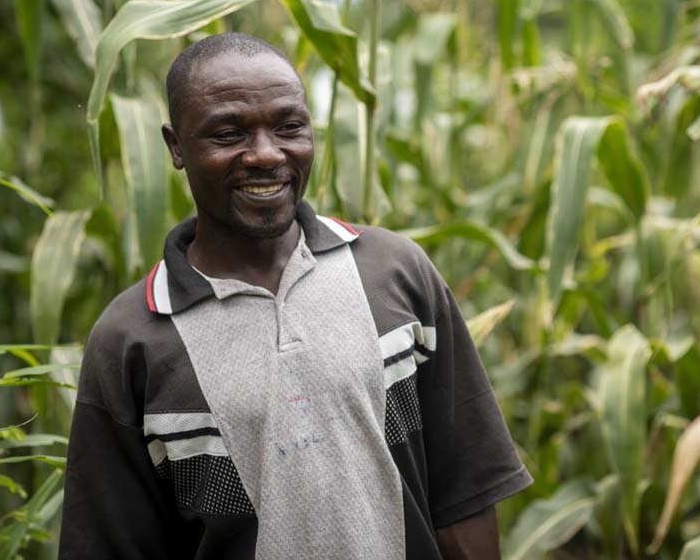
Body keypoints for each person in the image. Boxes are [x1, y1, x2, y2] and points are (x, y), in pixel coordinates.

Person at [58, 33, 531, 560]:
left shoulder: (395, 272)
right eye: (228, 133)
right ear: (176, 147)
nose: (266, 155)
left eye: (289, 127)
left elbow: (463, 491)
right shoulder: (133, 339)